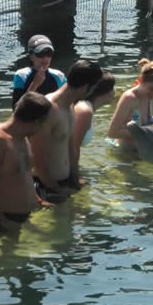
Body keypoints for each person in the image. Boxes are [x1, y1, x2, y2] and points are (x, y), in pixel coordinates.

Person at [29, 60, 103, 203]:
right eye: (93, 88)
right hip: (45, 187)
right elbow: (37, 158)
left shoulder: (69, 107)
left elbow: (71, 150)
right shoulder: (48, 109)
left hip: (64, 184)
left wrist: (75, 180)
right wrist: (55, 189)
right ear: (86, 87)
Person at [0, 92, 52, 232]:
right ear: (36, 121)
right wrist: (2, 220)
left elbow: (23, 174)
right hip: (1, 221)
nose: (43, 129)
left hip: (19, 219)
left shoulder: (22, 138)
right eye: (43, 124)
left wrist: (36, 199)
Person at [107, 60, 153, 148]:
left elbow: (139, 120)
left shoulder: (148, 97)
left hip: (142, 150)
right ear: (141, 80)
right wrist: (149, 130)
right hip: (125, 154)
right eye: (152, 89)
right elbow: (112, 133)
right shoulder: (130, 98)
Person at [72, 73, 116, 172]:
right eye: (113, 88)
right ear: (104, 92)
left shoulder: (88, 108)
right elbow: (73, 147)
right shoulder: (85, 111)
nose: (115, 92)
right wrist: (75, 176)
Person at [12, 35, 66, 109]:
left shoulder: (59, 76)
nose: (45, 58)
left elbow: (68, 103)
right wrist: (35, 84)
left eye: (49, 53)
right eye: (40, 54)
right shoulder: (22, 75)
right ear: (31, 56)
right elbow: (16, 110)